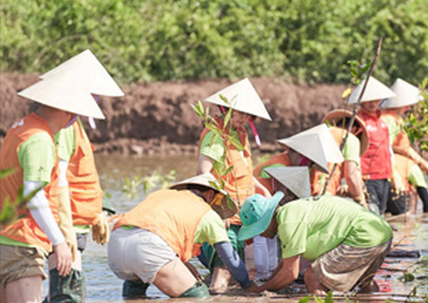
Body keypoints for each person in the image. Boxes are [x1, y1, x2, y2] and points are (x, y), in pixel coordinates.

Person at [0, 68, 105, 303]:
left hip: (5, 238)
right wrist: (59, 241)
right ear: (69, 111)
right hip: (22, 243)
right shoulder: (40, 139)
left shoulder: (20, 127)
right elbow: (34, 196)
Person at [36, 50, 124, 302]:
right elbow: (59, 181)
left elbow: (77, 178)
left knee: (66, 291)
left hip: (75, 222)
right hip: (66, 224)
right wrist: (64, 234)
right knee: (67, 294)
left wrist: (95, 212)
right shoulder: (63, 128)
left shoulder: (72, 124)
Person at [108, 173, 255, 298]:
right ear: (210, 195)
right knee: (197, 295)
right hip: (148, 247)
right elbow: (229, 257)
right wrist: (247, 285)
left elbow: (158, 233)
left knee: (136, 289)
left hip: (116, 243)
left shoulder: (161, 195)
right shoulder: (207, 213)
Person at [196, 78, 272, 292]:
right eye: (239, 114)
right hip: (224, 214)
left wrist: (261, 188)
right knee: (223, 272)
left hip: (241, 214)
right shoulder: (215, 135)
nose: (244, 119)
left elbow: (243, 171)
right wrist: (221, 209)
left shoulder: (239, 134)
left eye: (248, 115)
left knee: (230, 271)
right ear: (226, 109)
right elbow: (203, 173)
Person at [238, 193, 394, 295]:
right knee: (365, 284)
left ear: (266, 221)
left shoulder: (288, 222)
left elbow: (290, 273)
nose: (261, 235)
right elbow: (286, 263)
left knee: (313, 277)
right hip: (380, 233)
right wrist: (269, 281)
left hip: (363, 235)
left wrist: (260, 290)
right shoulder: (289, 212)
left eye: (258, 230)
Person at [251, 124, 343, 282]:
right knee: (262, 245)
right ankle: (265, 275)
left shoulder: (301, 169)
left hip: (275, 211)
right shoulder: (280, 165)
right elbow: (284, 198)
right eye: (306, 161)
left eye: (310, 163)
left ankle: (277, 271)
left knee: (275, 246)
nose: (307, 166)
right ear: (294, 152)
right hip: (258, 209)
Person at [347, 76, 403, 216]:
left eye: (376, 99)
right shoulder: (357, 122)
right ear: (362, 100)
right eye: (369, 99)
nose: (373, 103)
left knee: (381, 214)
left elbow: (388, 150)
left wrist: (394, 175)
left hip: (384, 177)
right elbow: (351, 151)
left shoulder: (383, 122)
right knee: (372, 213)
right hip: (367, 177)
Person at [381, 78, 428, 213]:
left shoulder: (396, 119)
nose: (409, 108)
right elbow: (386, 146)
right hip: (390, 171)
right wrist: (396, 176)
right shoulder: (389, 119)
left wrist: (422, 162)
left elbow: (403, 147)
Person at [254, 123, 344, 195]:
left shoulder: (297, 168)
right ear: (299, 154)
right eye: (308, 162)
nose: (308, 166)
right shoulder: (278, 167)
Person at [311, 110, 369, 207]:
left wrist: (342, 190)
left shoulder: (320, 133)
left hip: (304, 189)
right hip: (323, 192)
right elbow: (351, 175)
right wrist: (360, 199)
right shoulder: (350, 138)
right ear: (354, 130)